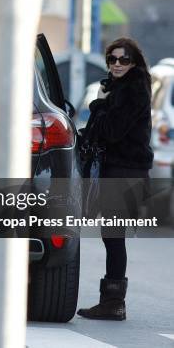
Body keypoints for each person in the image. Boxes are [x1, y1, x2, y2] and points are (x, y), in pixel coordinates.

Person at [77, 38, 153, 320]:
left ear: (134, 63)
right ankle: (112, 301)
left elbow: (112, 131)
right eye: (113, 59)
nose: (117, 64)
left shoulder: (133, 89)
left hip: (126, 172)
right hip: (121, 170)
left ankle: (113, 303)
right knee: (112, 236)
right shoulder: (120, 88)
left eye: (124, 60)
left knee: (113, 236)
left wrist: (99, 104)